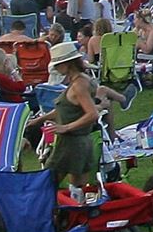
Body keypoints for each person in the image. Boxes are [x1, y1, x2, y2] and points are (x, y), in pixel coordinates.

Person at [42, 40, 106, 188]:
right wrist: (39, 120)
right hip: (82, 142)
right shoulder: (84, 79)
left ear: (67, 64)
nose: (57, 69)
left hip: (71, 143)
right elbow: (68, 109)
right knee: (78, 188)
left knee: (45, 185)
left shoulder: (78, 85)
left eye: (58, 65)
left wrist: (66, 127)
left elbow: (92, 114)